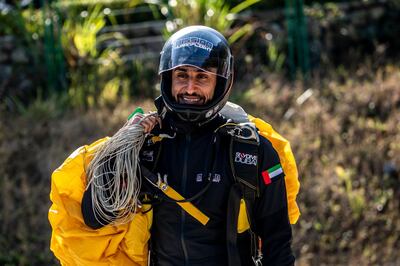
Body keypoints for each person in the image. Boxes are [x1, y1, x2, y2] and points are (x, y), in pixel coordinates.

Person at [51, 25, 296, 265]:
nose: (190, 88)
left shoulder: (249, 150)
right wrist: (120, 149)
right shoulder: (145, 146)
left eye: (202, 77)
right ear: (168, 79)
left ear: (221, 83)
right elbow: (95, 217)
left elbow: (278, 241)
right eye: (182, 76)